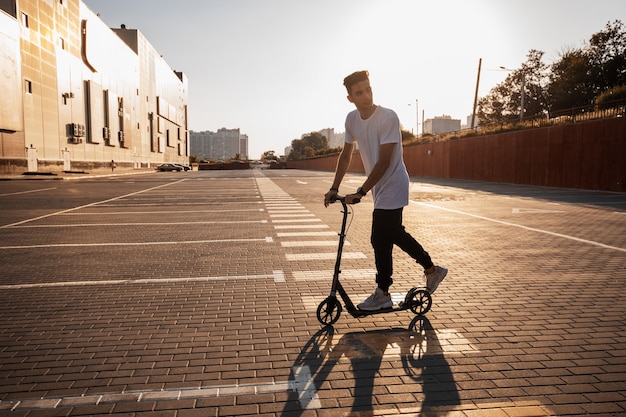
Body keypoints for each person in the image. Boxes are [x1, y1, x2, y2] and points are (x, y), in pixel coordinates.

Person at [324, 70, 447, 311]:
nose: (366, 95)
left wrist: (361, 191)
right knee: (391, 235)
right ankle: (432, 270)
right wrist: (334, 187)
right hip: (379, 186)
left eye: (368, 89)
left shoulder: (388, 117)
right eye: (359, 92)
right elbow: (346, 155)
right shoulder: (351, 119)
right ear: (350, 98)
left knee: (380, 237)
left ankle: (383, 292)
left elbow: (384, 160)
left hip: (394, 183)